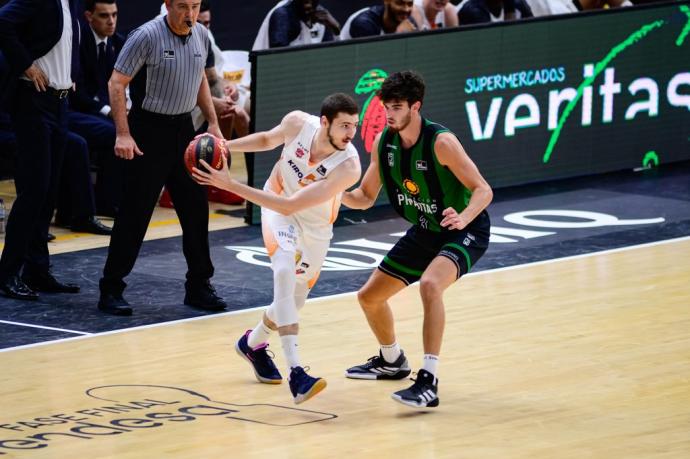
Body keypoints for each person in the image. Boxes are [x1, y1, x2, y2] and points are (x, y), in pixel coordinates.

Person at [192, 93, 361, 404]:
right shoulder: (298, 123)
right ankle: (297, 373)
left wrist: (230, 185)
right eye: (345, 126)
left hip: (314, 226)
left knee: (293, 302)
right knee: (283, 271)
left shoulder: (348, 167)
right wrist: (227, 145)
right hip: (277, 208)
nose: (351, 134)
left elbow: (294, 203)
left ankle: (252, 343)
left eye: (355, 126)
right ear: (325, 122)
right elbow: (269, 139)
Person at [342, 71, 493, 409]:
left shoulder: (441, 143)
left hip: (464, 229)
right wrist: (332, 191)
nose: (389, 114)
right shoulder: (385, 142)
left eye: (396, 107)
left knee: (430, 285)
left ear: (416, 106)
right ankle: (392, 360)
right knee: (369, 298)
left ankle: (428, 380)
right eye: (386, 107)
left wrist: (464, 216)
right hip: (426, 229)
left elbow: (484, 190)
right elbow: (365, 196)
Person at [97, 0, 226, 316]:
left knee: (196, 210)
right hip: (148, 131)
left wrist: (212, 123)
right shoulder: (146, 36)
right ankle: (111, 288)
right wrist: (123, 133)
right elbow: (117, 83)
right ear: (167, 4)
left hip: (184, 130)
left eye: (194, 6)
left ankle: (199, 286)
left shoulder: (199, 35)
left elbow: (199, 79)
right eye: (183, 6)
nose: (190, 14)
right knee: (135, 213)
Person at [0, 0, 82, 301]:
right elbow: (3, 23)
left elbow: (68, 42)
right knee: (33, 190)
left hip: (59, 103)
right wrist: (26, 64)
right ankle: (7, 273)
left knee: (48, 192)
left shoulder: (70, 2)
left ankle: (37, 269)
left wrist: (69, 77)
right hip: (33, 101)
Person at [68, 0, 126, 218]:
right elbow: (78, 94)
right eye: (104, 16)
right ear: (88, 16)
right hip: (74, 111)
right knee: (116, 132)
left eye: (114, 14)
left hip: (97, 110)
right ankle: (107, 202)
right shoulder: (78, 42)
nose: (111, 21)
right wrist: (109, 110)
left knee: (131, 125)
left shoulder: (116, 43)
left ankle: (122, 196)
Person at [253, 0, 340, 50]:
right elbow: (278, 61)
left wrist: (336, 30)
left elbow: (331, 58)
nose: (308, 5)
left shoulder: (322, 16)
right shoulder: (283, 15)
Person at [340, 0, 424, 40]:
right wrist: (398, 35)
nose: (406, 9)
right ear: (387, 1)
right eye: (400, 3)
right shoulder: (364, 24)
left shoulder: (408, 21)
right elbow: (373, 65)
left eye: (410, 4)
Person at [457, 0, 533, 25]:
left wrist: (510, 9)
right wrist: (510, 11)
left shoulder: (518, 4)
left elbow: (534, 34)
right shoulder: (473, 11)